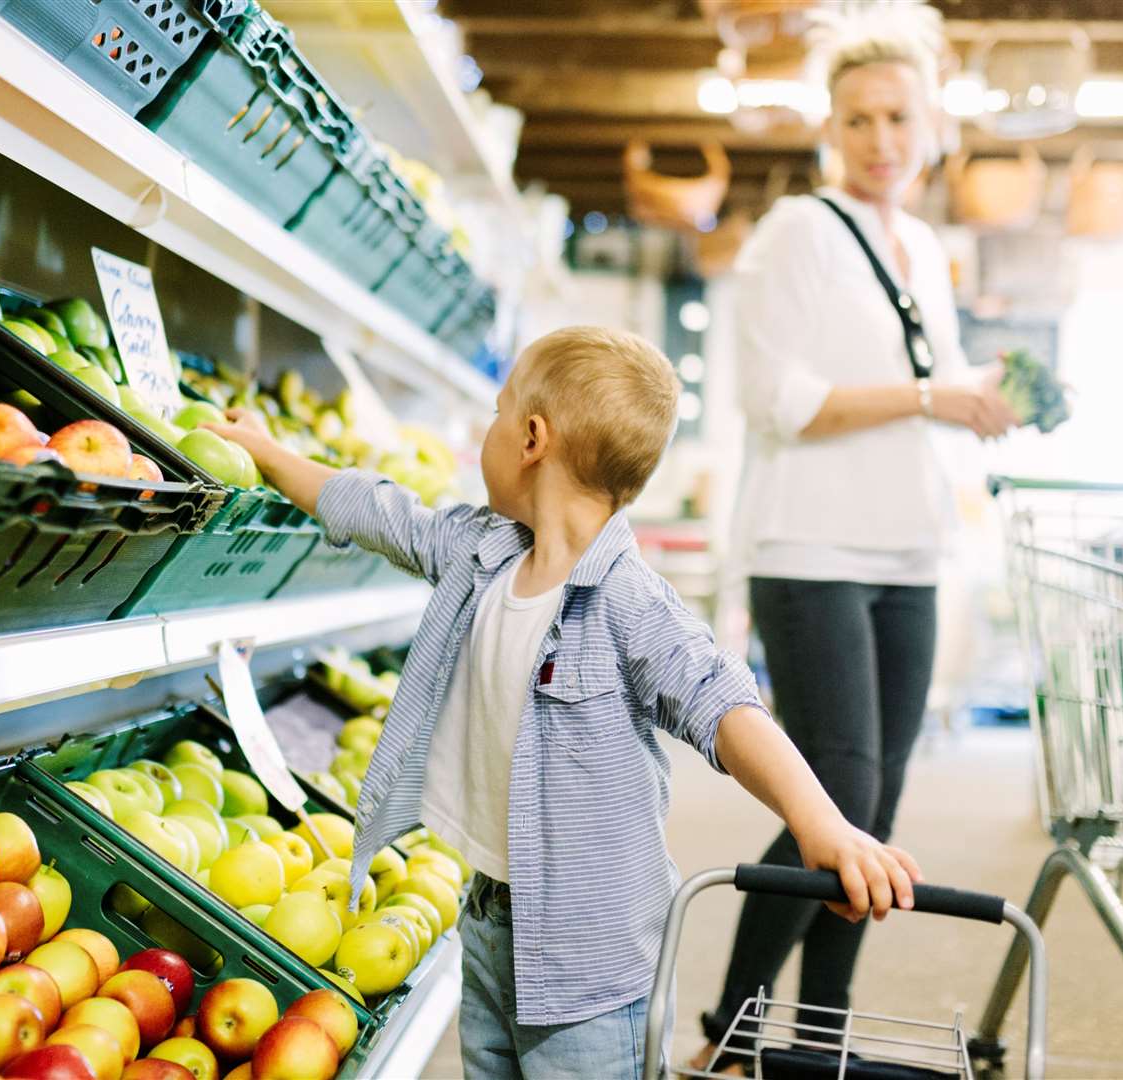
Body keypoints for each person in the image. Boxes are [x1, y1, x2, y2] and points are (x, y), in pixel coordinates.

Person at [203, 325, 922, 1080]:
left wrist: (822, 824)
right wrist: (272, 454)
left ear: (531, 438)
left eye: (497, 410)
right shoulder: (482, 552)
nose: (488, 427)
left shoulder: (626, 601)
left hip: (592, 955)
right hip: (488, 915)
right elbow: (383, 514)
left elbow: (722, 703)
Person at [695, 7, 1019, 1068]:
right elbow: (778, 397)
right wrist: (933, 395)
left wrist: (979, 402)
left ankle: (818, 1045)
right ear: (831, 127)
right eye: (858, 118)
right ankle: (734, 1036)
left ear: (932, 128)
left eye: (898, 117)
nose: (880, 138)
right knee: (831, 794)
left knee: (872, 809)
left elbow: (933, 395)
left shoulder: (924, 247)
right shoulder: (797, 230)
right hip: (809, 550)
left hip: (908, 553)